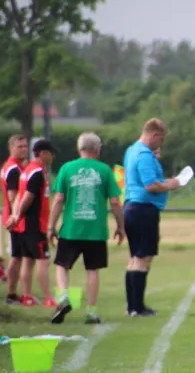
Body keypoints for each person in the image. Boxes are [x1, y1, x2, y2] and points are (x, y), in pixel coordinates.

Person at [48, 133, 126, 324]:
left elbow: (58, 199)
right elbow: (115, 201)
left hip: (71, 229)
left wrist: (51, 226)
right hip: (96, 230)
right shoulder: (105, 170)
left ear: (79, 148)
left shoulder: (67, 168)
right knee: (92, 270)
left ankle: (64, 297)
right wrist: (120, 226)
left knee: (61, 265)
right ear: (97, 151)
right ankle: (91, 312)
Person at [123, 118, 180, 317]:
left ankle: (131, 305)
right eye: (161, 140)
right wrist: (170, 184)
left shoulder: (131, 150)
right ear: (154, 135)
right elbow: (151, 185)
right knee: (143, 258)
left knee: (135, 258)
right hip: (143, 209)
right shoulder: (145, 154)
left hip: (131, 207)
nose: (161, 145)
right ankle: (137, 307)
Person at [6, 139, 57, 307]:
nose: (53, 156)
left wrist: (16, 216)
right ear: (43, 153)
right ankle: (48, 297)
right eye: (51, 153)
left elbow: (20, 196)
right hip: (35, 224)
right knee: (43, 261)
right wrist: (17, 215)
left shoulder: (27, 170)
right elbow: (28, 196)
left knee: (28, 260)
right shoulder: (36, 172)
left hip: (25, 224)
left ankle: (27, 296)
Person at [1, 135, 28, 304]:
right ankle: (12, 294)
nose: (24, 149)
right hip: (15, 219)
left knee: (18, 256)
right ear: (11, 148)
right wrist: (16, 215)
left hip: (13, 217)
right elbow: (13, 196)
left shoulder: (14, 166)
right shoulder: (13, 169)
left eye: (25, 146)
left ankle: (13, 293)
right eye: (20, 147)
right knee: (18, 256)